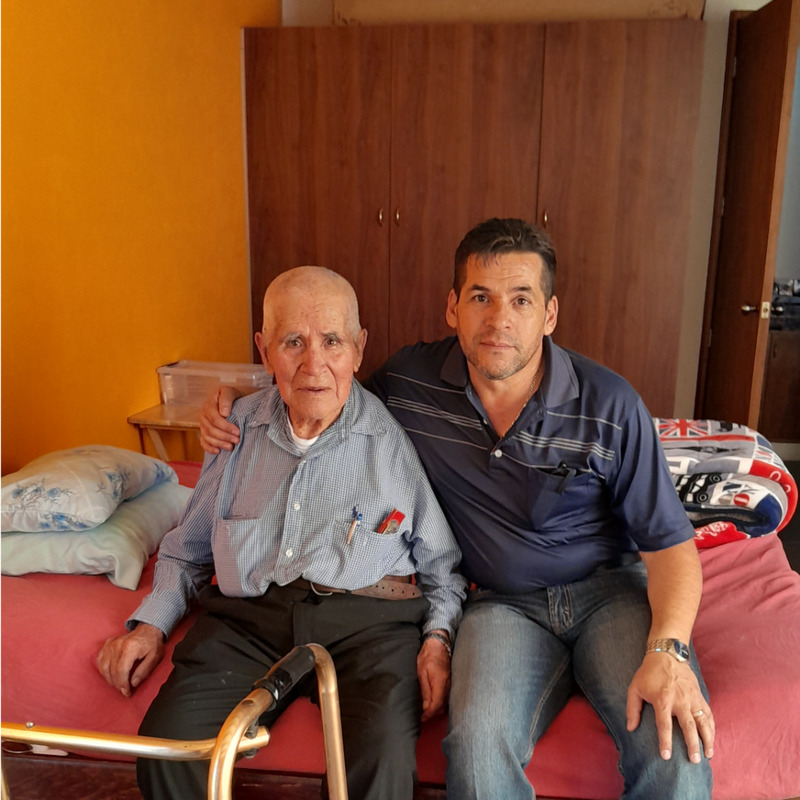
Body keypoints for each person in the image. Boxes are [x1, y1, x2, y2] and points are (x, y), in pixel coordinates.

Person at [199, 219, 715, 800]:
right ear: (453, 308)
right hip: (500, 604)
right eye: (480, 298)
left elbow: (671, 548)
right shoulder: (410, 382)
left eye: (521, 300)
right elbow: (324, 390)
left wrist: (669, 649)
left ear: (549, 315)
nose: (499, 320)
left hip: (609, 596)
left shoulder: (610, 405)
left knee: (675, 749)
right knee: (474, 748)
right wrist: (238, 404)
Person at [97, 266, 467, 800]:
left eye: (332, 341)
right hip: (248, 619)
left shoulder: (391, 443)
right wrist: (151, 625)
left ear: (359, 349)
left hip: (368, 623)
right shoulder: (236, 428)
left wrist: (437, 642)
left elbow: (442, 568)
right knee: (168, 748)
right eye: (293, 341)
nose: (314, 364)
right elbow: (187, 548)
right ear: (264, 350)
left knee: (382, 762)